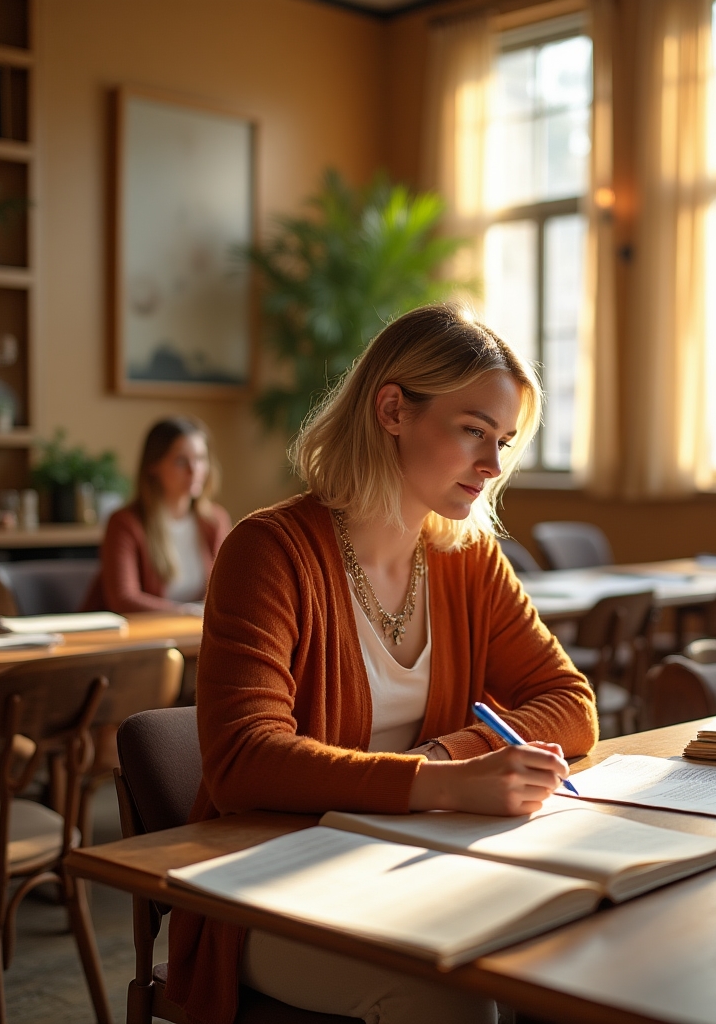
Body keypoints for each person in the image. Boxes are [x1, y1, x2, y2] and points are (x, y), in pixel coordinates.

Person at [164, 305, 598, 1024]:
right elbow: (245, 760)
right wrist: (444, 784)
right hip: (273, 886)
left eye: (504, 442)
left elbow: (570, 702)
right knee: (453, 1001)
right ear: (393, 409)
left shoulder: (467, 557)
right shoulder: (268, 551)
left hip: (421, 862)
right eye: (472, 432)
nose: (492, 468)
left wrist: (447, 759)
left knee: (581, 959)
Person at [83, 416, 232, 613]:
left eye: (200, 459)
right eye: (181, 460)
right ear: (153, 465)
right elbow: (123, 600)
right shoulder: (125, 523)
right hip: (134, 638)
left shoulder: (215, 520)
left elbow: (229, 590)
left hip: (193, 635)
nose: (194, 470)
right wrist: (188, 613)